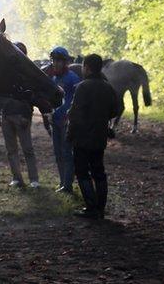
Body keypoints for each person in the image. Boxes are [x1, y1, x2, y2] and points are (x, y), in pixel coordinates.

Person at [67, 54, 119, 219]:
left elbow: (74, 114)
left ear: (87, 67)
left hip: (82, 137)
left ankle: (91, 207)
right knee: (99, 171)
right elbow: (116, 110)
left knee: (82, 171)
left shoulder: (82, 87)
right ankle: (101, 208)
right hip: (99, 136)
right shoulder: (107, 87)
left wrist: (70, 134)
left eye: (83, 66)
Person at [0, 42, 40, 188]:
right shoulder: (5, 74)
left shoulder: (27, 75)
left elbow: (32, 97)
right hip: (6, 115)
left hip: (21, 116)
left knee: (27, 149)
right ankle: (17, 178)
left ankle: (34, 179)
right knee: (11, 150)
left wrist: (28, 115)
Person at [46, 46, 80, 193]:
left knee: (67, 153)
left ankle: (67, 185)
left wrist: (70, 116)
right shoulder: (53, 78)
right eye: (54, 60)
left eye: (59, 60)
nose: (56, 63)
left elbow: (76, 100)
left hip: (67, 122)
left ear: (65, 62)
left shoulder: (73, 78)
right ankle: (63, 182)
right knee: (58, 153)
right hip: (55, 120)